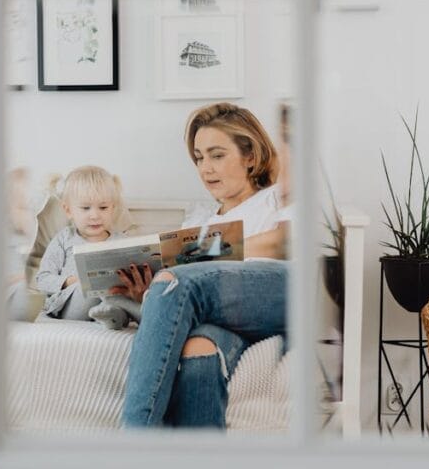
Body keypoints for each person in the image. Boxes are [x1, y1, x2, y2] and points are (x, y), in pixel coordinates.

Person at [111, 102, 292, 428]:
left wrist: (204, 257)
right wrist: (150, 294)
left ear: (250, 156)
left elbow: (285, 242)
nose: (206, 168)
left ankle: (134, 442)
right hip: (223, 309)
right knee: (198, 350)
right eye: (199, 157)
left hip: (281, 292)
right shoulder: (201, 222)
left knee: (176, 281)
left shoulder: (278, 196)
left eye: (217, 155)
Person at [36, 165, 142, 329]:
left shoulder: (122, 241)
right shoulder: (65, 238)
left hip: (112, 300)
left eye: (103, 207)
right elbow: (42, 279)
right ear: (68, 210)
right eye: (85, 208)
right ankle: (139, 313)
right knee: (92, 286)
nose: (95, 215)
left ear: (112, 208)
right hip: (74, 305)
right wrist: (73, 281)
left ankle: (110, 315)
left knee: (115, 297)